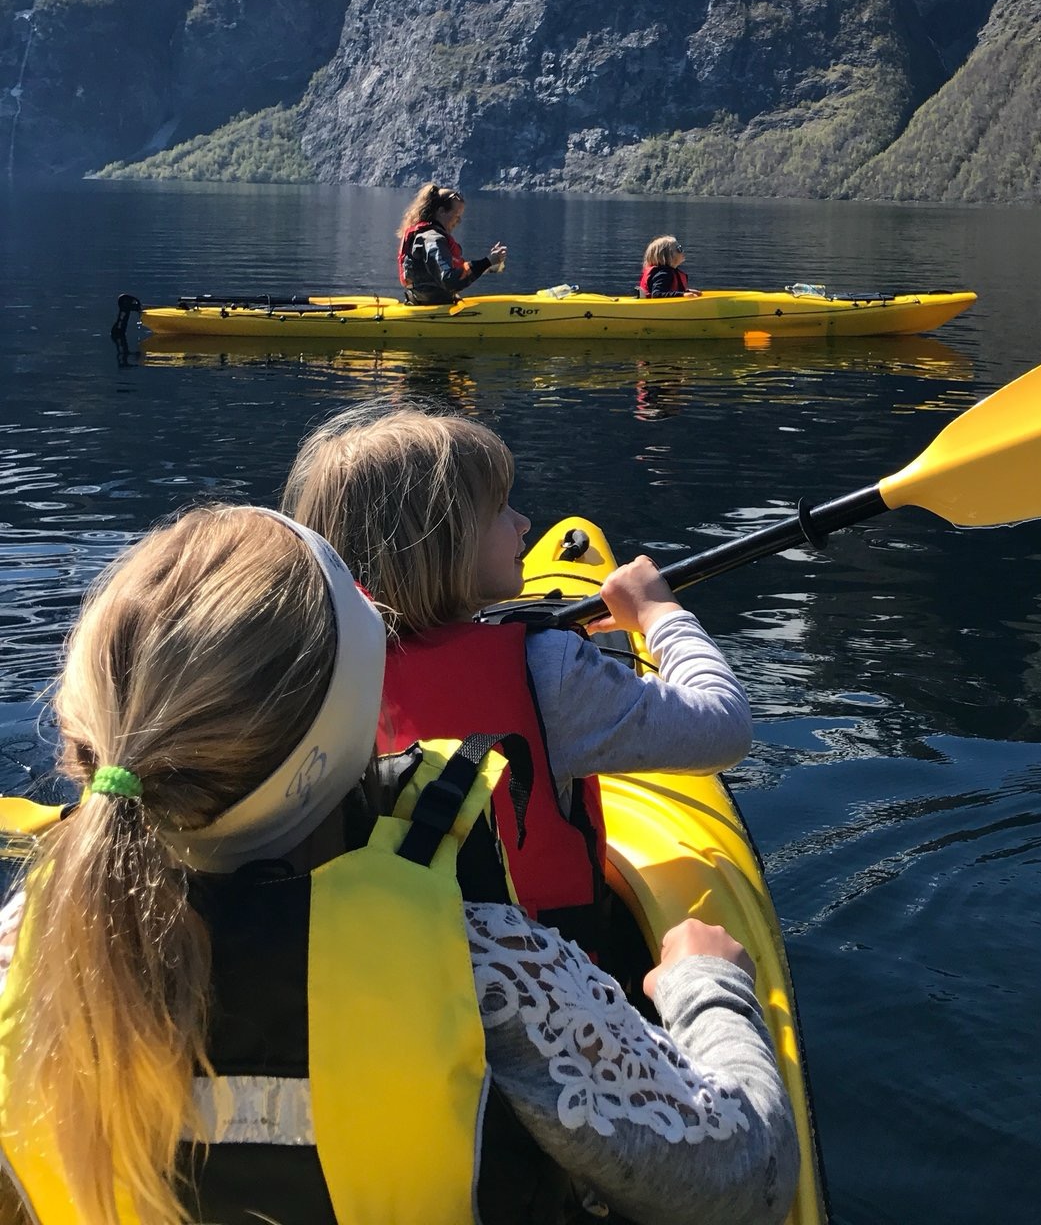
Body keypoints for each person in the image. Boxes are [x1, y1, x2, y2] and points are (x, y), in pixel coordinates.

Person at [0, 505, 798, 1225]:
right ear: (352, 712)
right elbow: (744, 1181)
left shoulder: (20, 954)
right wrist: (705, 986)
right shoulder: (486, 967)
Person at [280, 406, 752, 945]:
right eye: (500, 508)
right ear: (447, 542)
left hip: (381, 957)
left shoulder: (307, 672)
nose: (524, 522)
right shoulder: (547, 669)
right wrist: (659, 614)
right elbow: (725, 726)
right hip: (539, 967)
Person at [397, 182, 506, 305]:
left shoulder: (426, 236)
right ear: (441, 211)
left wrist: (489, 264)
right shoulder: (433, 240)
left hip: (423, 300)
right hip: (434, 305)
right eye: (457, 215)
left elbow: (455, 270)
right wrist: (487, 261)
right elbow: (450, 280)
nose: (459, 221)